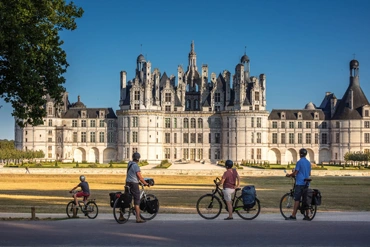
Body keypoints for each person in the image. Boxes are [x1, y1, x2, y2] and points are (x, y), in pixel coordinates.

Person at [285, 148, 312, 220]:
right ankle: (307, 215)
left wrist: (289, 175)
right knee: (305, 199)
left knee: (297, 199)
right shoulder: (308, 162)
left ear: (300, 154)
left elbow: (296, 172)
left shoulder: (299, 162)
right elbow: (309, 173)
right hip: (307, 183)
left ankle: (293, 215)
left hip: (300, 182)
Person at [124, 152, 149, 223]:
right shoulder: (136, 166)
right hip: (134, 184)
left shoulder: (129, 163)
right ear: (138, 159)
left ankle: (121, 215)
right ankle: (138, 218)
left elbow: (131, 174)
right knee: (137, 200)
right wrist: (145, 183)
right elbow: (140, 177)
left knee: (126, 198)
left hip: (127, 183)